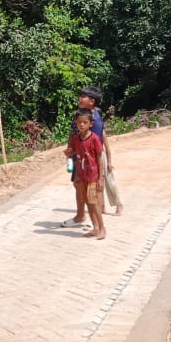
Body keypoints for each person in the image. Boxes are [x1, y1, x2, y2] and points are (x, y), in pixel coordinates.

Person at [80, 87, 123, 216]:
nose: (80, 99)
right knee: (95, 180)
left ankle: (119, 204)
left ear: (92, 101)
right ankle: (102, 205)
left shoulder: (97, 113)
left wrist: (109, 157)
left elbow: (102, 133)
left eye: (83, 96)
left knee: (108, 179)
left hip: (99, 153)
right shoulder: (83, 117)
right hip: (88, 154)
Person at [64, 109, 106, 239]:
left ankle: (102, 228)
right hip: (82, 176)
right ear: (76, 123)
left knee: (94, 203)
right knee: (88, 202)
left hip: (93, 176)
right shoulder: (76, 139)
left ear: (91, 123)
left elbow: (99, 158)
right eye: (79, 122)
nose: (81, 125)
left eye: (85, 122)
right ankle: (96, 228)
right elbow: (77, 157)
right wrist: (76, 175)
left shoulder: (94, 139)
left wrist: (101, 178)